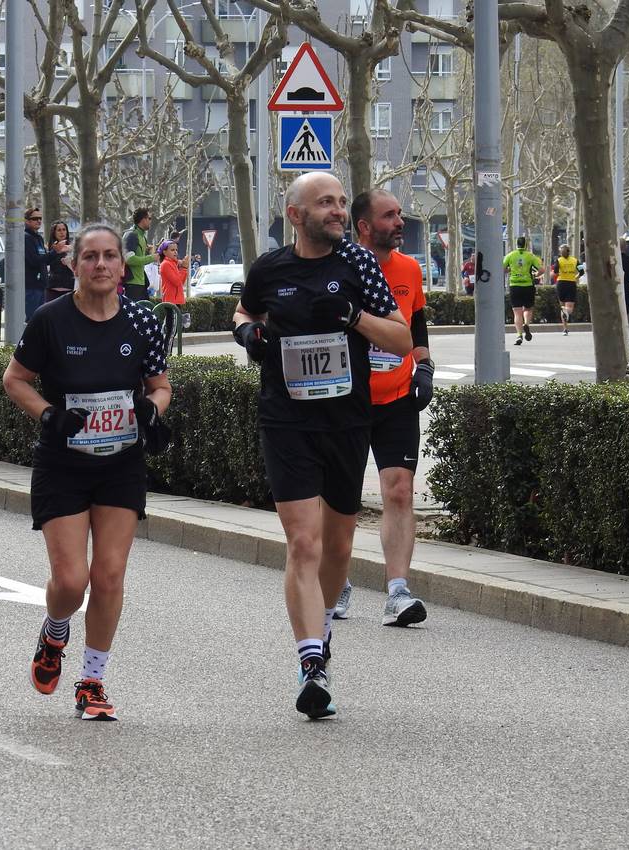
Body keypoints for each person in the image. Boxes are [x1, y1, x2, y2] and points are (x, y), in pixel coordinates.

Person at [231, 172, 411, 719]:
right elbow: (244, 312)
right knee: (303, 544)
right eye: (326, 203)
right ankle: (312, 665)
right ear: (296, 214)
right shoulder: (269, 269)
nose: (337, 211)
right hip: (286, 420)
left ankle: (323, 630)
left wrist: (355, 318)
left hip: (345, 421)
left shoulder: (358, 265)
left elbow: (401, 336)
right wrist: (248, 335)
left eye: (339, 202)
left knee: (336, 548)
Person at [2, 223, 172, 722]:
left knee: (110, 574)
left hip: (121, 463)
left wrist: (152, 411)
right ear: (73, 265)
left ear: (123, 265)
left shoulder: (141, 321)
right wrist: (49, 415)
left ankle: (92, 681)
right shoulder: (50, 320)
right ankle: (55, 630)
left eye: (110, 256)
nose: (101, 265)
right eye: (90, 257)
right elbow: (15, 380)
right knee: (72, 581)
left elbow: (160, 386)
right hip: (64, 464)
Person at [333, 188, 433, 627]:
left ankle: (398, 592)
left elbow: (417, 324)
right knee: (340, 500)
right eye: (390, 216)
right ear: (364, 226)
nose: (400, 222)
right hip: (346, 401)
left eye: (400, 214)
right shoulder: (338, 268)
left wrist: (425, 369)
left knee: (399, 490)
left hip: (395, 400)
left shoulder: (409, 268)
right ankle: (336, 583)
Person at [503, 237, 543, 346]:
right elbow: (541, 269)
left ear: (517, 244)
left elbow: (502, 268)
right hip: (528, 285)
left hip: (514, 285)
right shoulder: (530, 256)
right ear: (526, 244)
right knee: (528, 309)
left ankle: (519, 335)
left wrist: (510, 270)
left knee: (517, 312)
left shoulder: (510, 255)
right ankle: (526, 324)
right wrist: (535, 275)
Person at [123, 207, 159, 302]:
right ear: (143, 219)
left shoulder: (142, 236)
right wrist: (151, 257)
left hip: (141, 283)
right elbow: (129, 259)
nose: (151, 221)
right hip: (132, 284)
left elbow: (139, 258)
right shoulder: (131, 235)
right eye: (149, 218)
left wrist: (148, 252)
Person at [24, 207, 49, 320]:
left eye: (40, 218)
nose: (39, 221)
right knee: (32, 319)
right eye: (35, 218)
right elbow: (34, 260)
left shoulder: (38, 238)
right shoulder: (26, 238)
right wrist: (54, 252)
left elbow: (44, 260)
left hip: (40, 285)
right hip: (31, 286)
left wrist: (56, 253)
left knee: (39, 319)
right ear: (27, 221)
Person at [551, 244, 580, 335]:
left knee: (563, 307)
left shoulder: (559, 260)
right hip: (571, 283)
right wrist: (576, 276)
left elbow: (555, 272)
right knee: (569, 308)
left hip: (561, 284)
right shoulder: (575, 260)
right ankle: (567, 313)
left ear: (561, 252)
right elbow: (582, 271)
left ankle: (565, 328)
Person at [45, 220, 75, 302]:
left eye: (64, 229)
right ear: (53, 233)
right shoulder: (49, 249)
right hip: (52, 288)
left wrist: (69, 262)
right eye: (59, 230)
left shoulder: (73, 249)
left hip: (69, 288)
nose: (62, 232)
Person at [158, 239, 189, 306]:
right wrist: (184, 268)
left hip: (176, 300)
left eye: (176, 250)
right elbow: (177, 282)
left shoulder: (173, 263)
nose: (175, 252)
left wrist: (184, 268)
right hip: (170, 300)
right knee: (171, 316)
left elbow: (181, 283)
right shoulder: (165, 264)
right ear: (164, 252)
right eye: (172, 250)